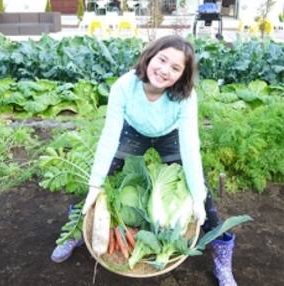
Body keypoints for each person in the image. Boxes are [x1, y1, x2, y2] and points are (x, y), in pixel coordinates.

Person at [51, 35, 237, 286]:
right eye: (162, 60)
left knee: (203, 196)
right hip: (134, 132)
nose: (164, 70)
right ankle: (74, 232)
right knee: (101, 183)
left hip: (170, 135)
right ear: (150, 56)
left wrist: (196, 194)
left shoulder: (185, 96)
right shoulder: (124, 86)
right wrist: (96, 183)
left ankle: (221, 260)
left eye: (175, 68)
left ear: (183, 75)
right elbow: (109, 136)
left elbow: (190, 144)